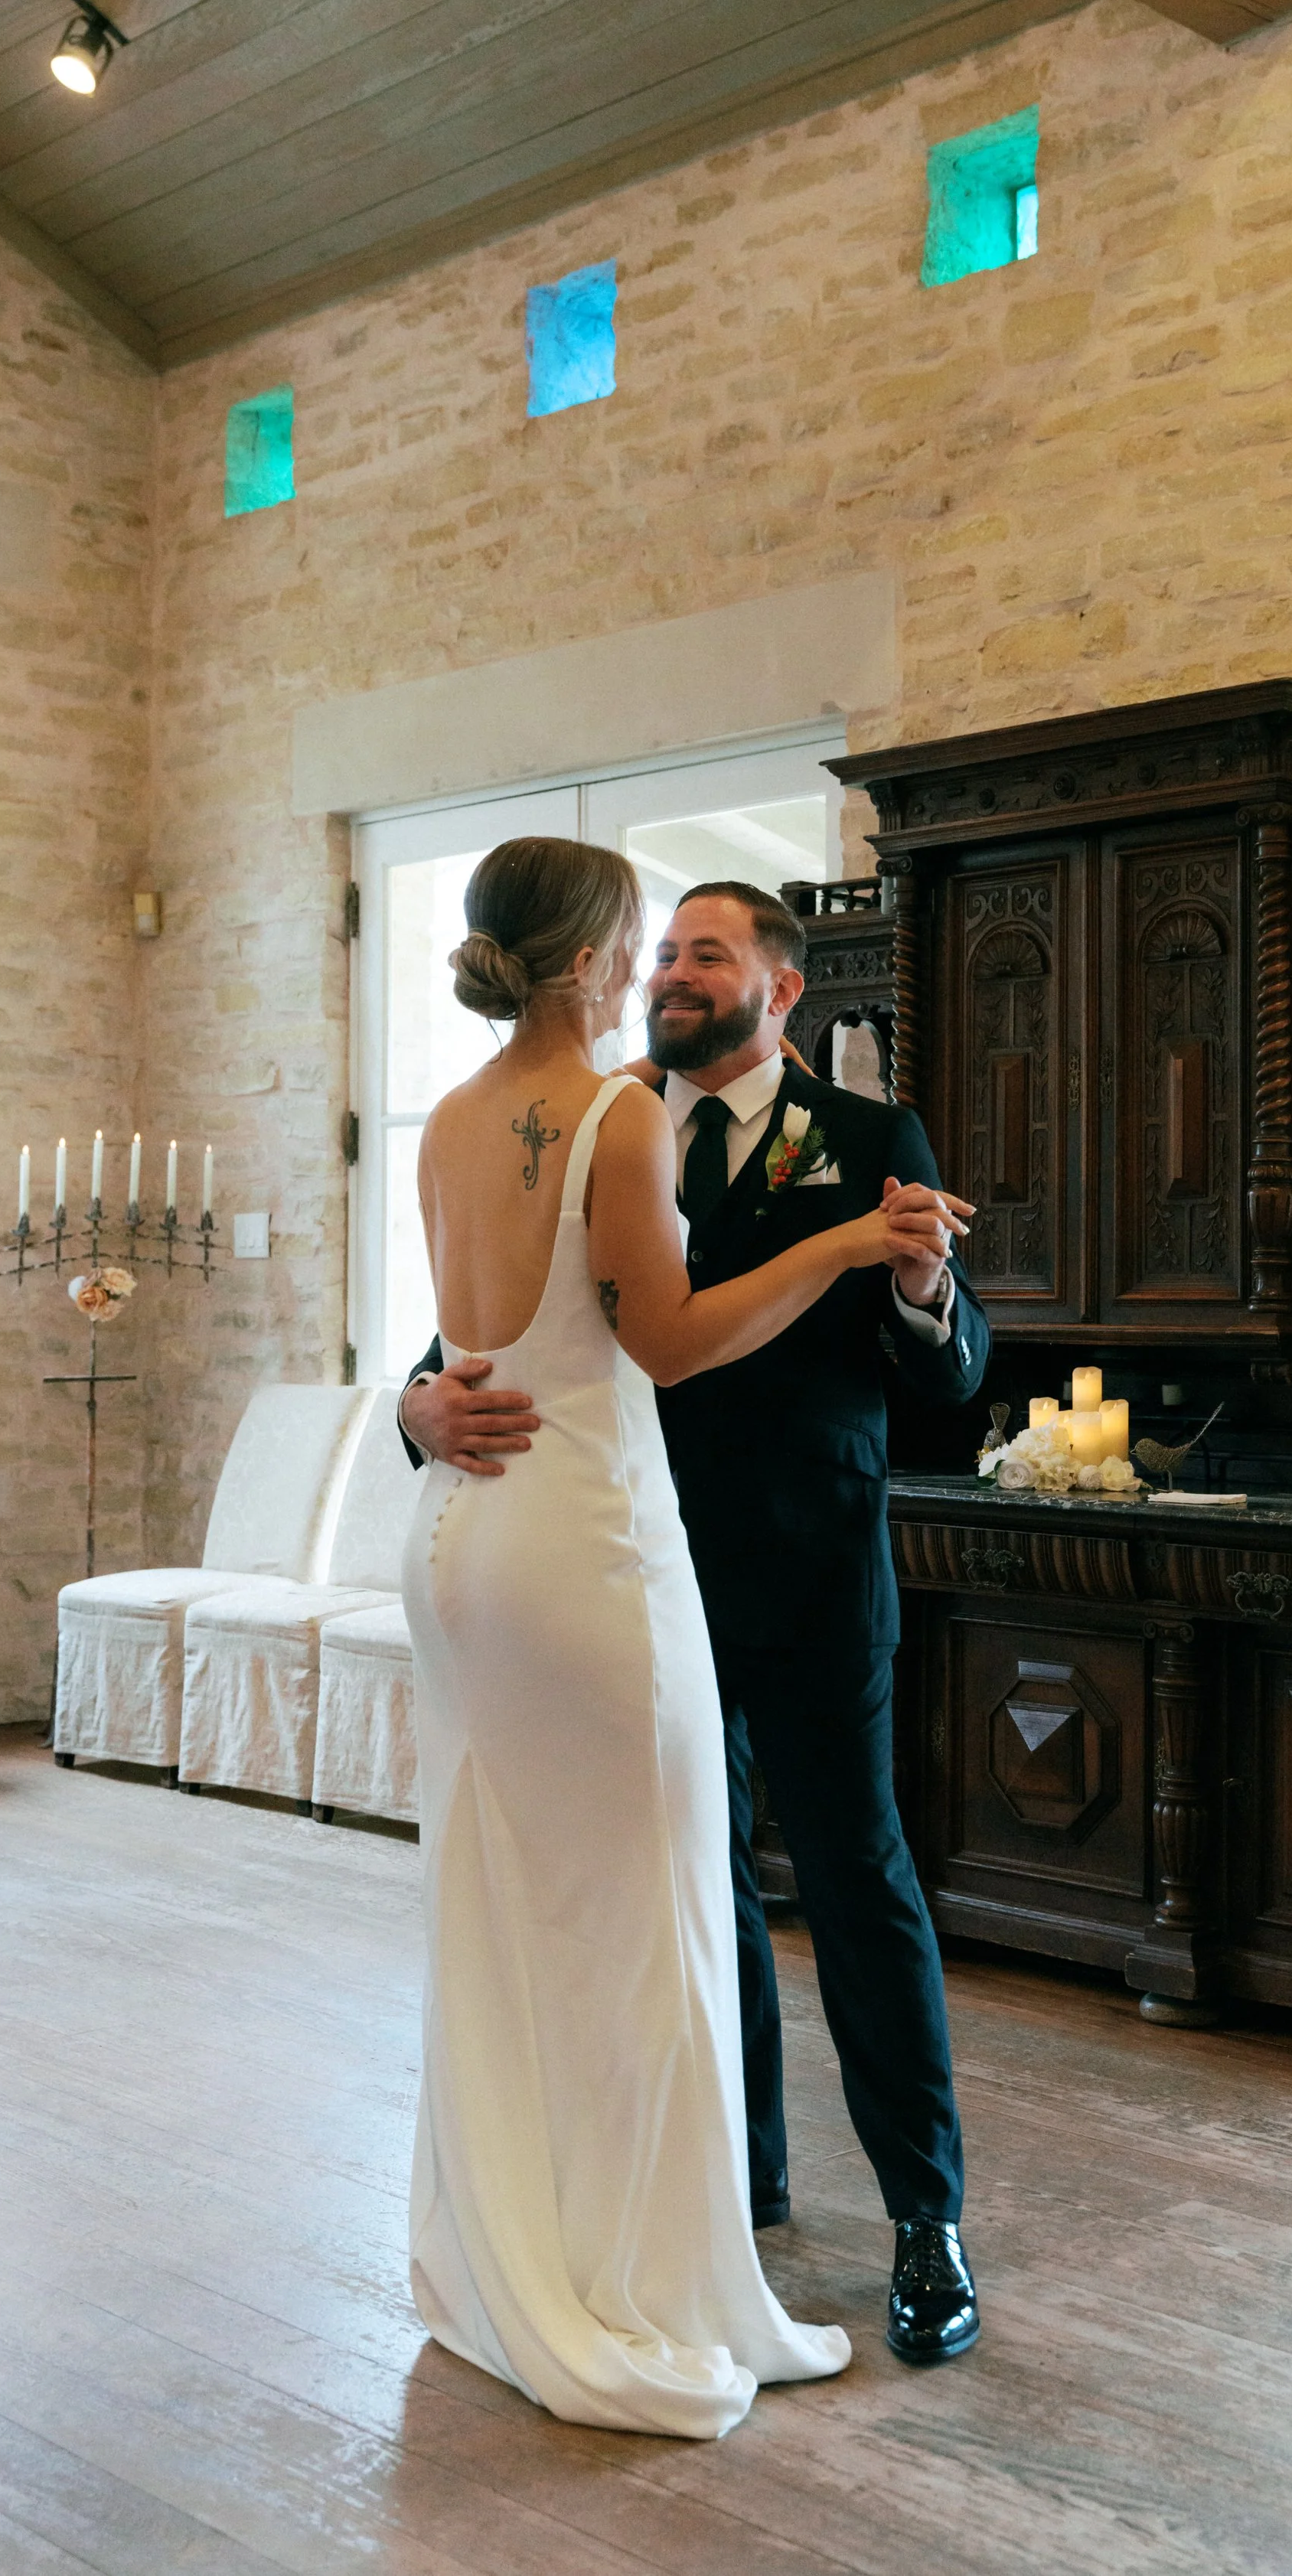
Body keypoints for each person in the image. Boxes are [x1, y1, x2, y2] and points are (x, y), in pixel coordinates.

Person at [400, 836, 954, 2438]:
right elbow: (547, 1342)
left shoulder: (861, 1137)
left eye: (709, 954)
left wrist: (904, 1275)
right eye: (660, 947)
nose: (674, 972)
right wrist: (409, 1400)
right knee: (651, 1905)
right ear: (604, 961)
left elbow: (947, 1367)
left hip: (780, 1573)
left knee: (843, 1882)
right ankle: (718, 2223)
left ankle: (922, 2222)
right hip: (602, 1570)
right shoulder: (610, 1110)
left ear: (781, 989)